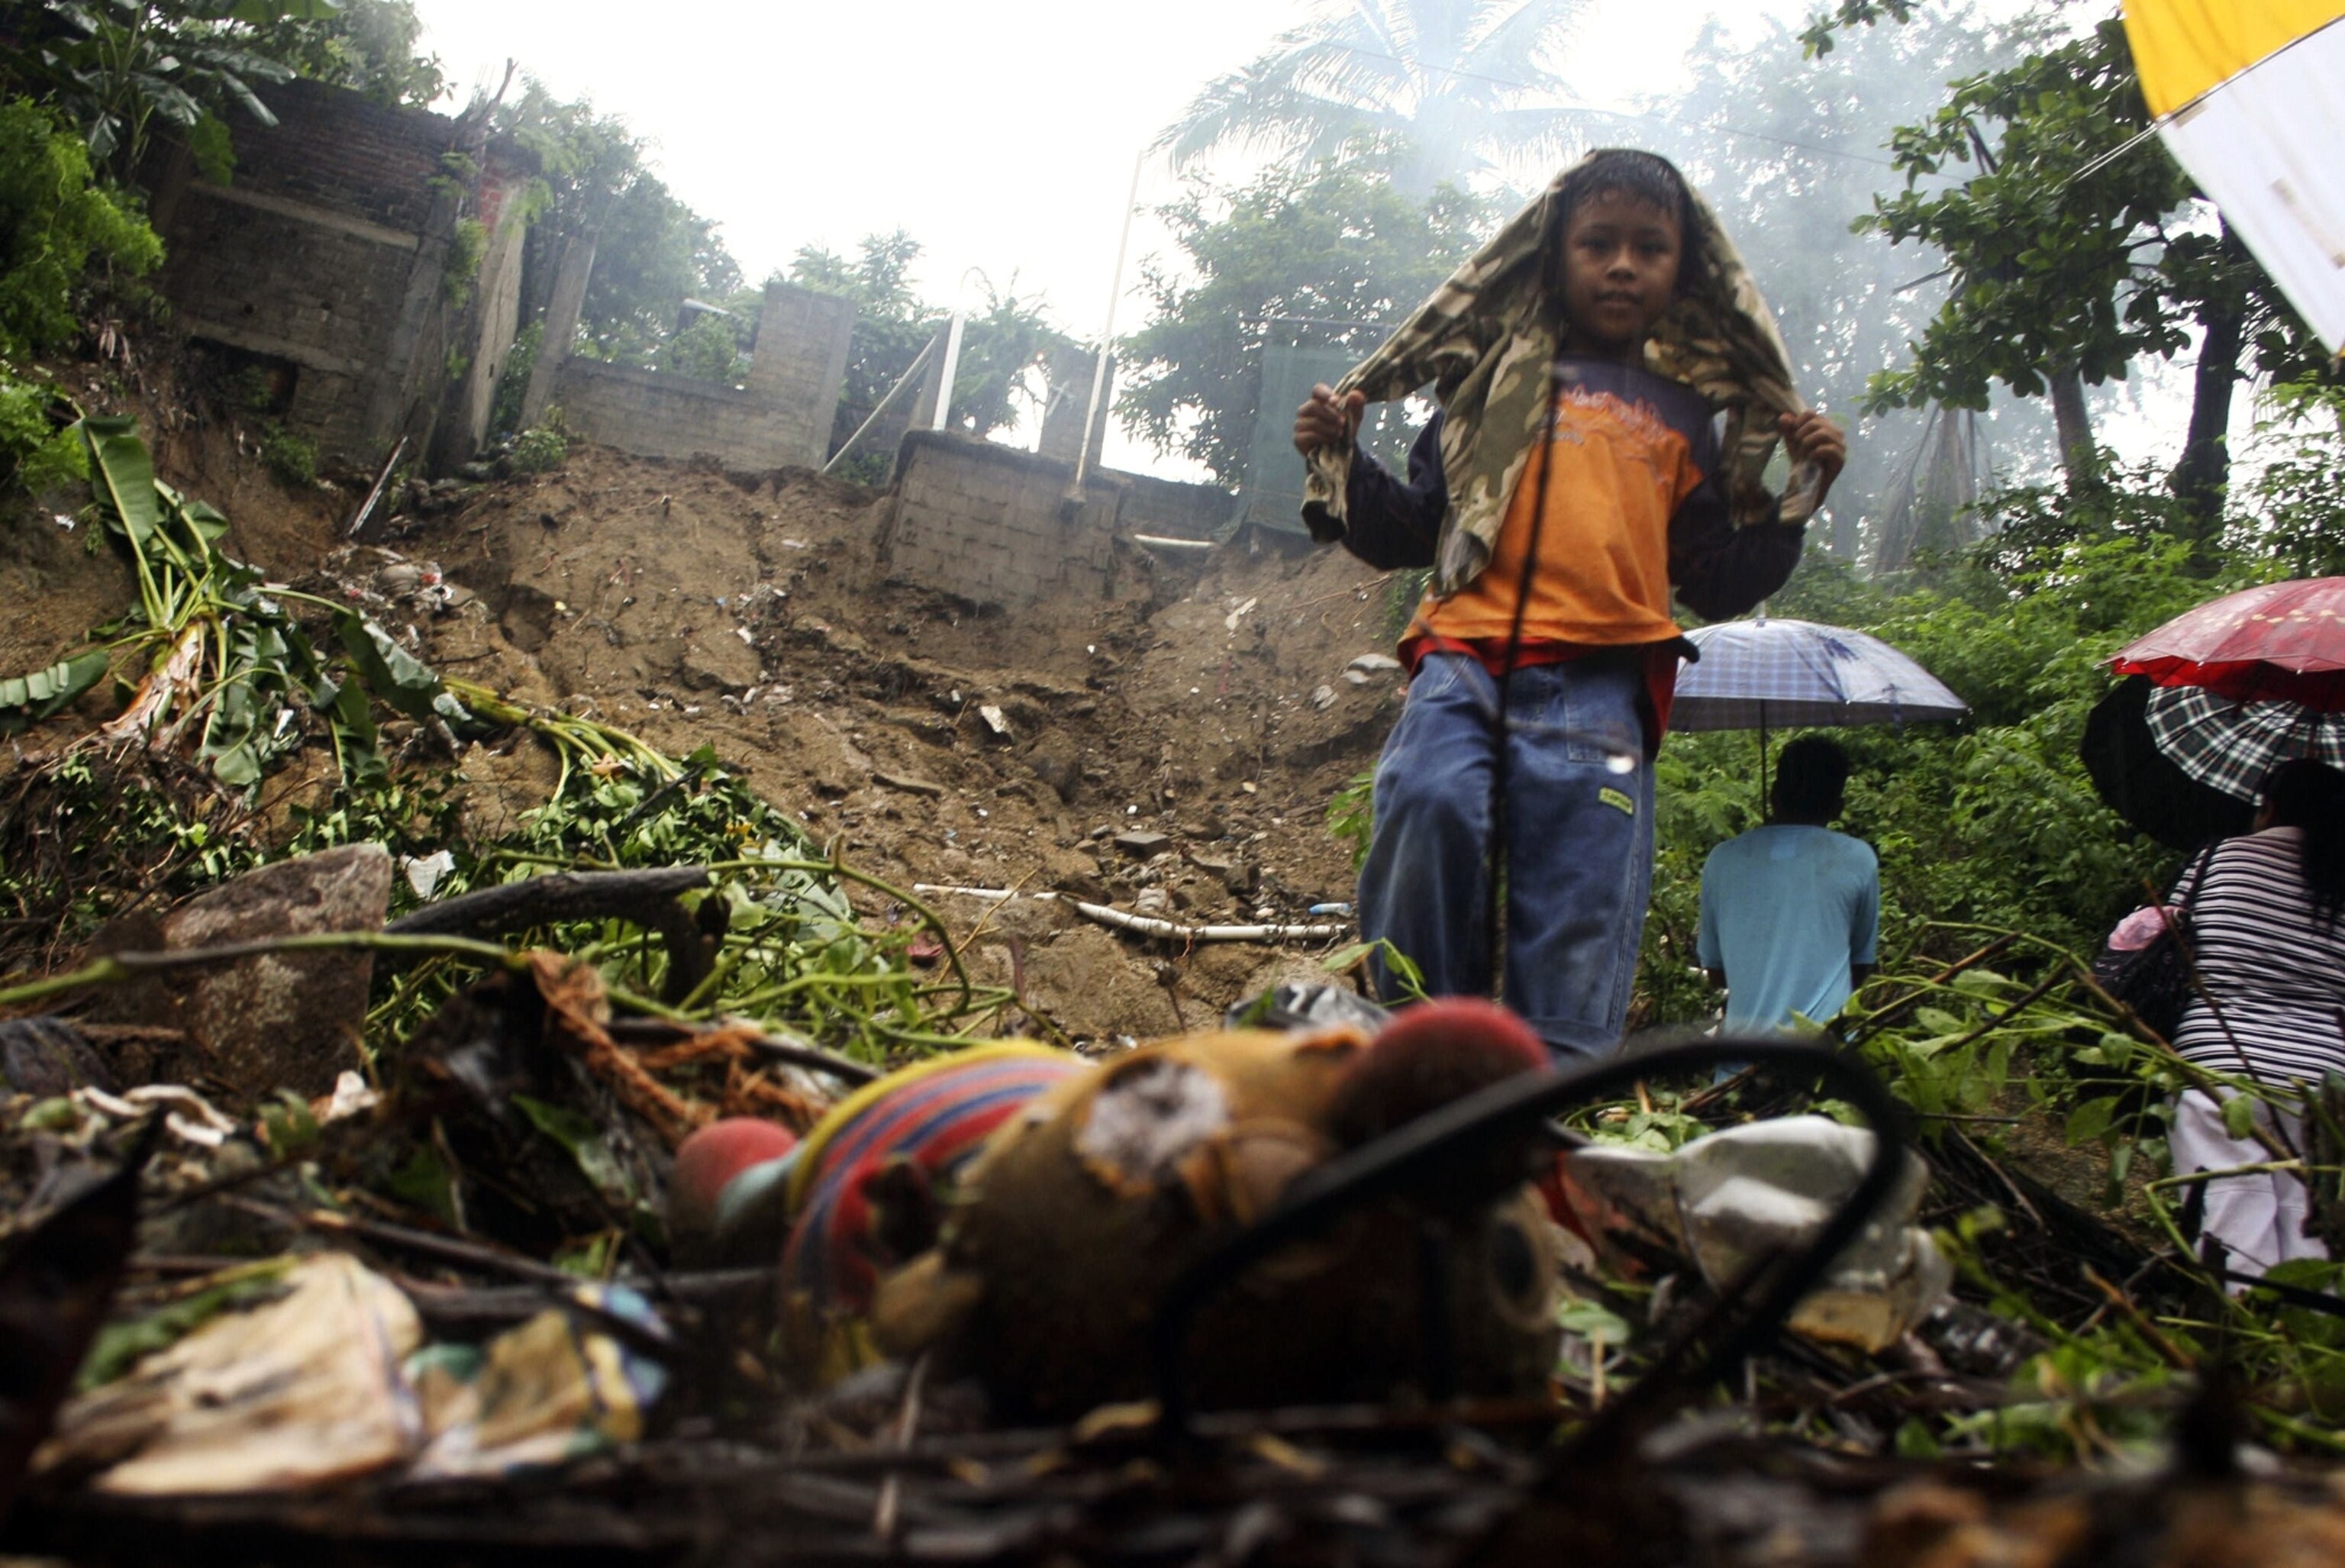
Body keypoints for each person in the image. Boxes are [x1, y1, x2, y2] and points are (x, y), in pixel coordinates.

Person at [1291, 149, 1845, 1059]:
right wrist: (1345, 458)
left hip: (1603, 687)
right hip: (1464, 656)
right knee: (1426, 802)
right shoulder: (1489, 386)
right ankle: (1421, 1044)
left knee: (1583, 894)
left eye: (1648, 247)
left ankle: (1556, 1100)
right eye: (1598, 243)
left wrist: (1795, 498)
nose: (1622, 264)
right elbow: (1410, 527)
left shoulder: (1684, 414)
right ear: (1556, 256)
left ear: (1682, 271)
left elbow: (1713, 576)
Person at [2159, 758, 2345, 1278]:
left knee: (2231, 1215)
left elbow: (2171, 947)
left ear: (2272, 805)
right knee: (2311, 1232)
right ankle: (2302, 1347)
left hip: (2219, 1069)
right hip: (2323, 1088)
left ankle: (2239, 1338)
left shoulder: (2220, 859)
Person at [1696, 736, 1879, 1033]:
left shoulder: (1722, 860)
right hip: (1826, 1056)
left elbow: (1716, 974)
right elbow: (1860, 966)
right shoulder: (1858, 858)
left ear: (1774, 797)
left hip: (1741, 1060)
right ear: (1838, 807)